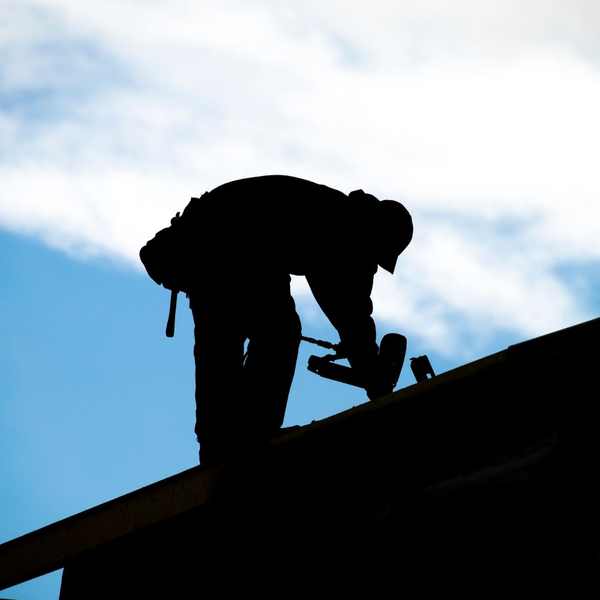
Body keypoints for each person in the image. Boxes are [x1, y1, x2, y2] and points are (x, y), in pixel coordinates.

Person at [173, 175, 413, 465]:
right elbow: (349, 309)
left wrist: (367, 365)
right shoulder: (345, 228)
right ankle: (248, 434)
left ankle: (219, 445)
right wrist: (372, 372)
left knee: (223, 344)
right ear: (378, 235)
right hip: (226, 246)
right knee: (278, 330)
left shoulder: (336, 213)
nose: (372, 263)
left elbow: (345, 305)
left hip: (204, 246)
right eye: (377, 256)